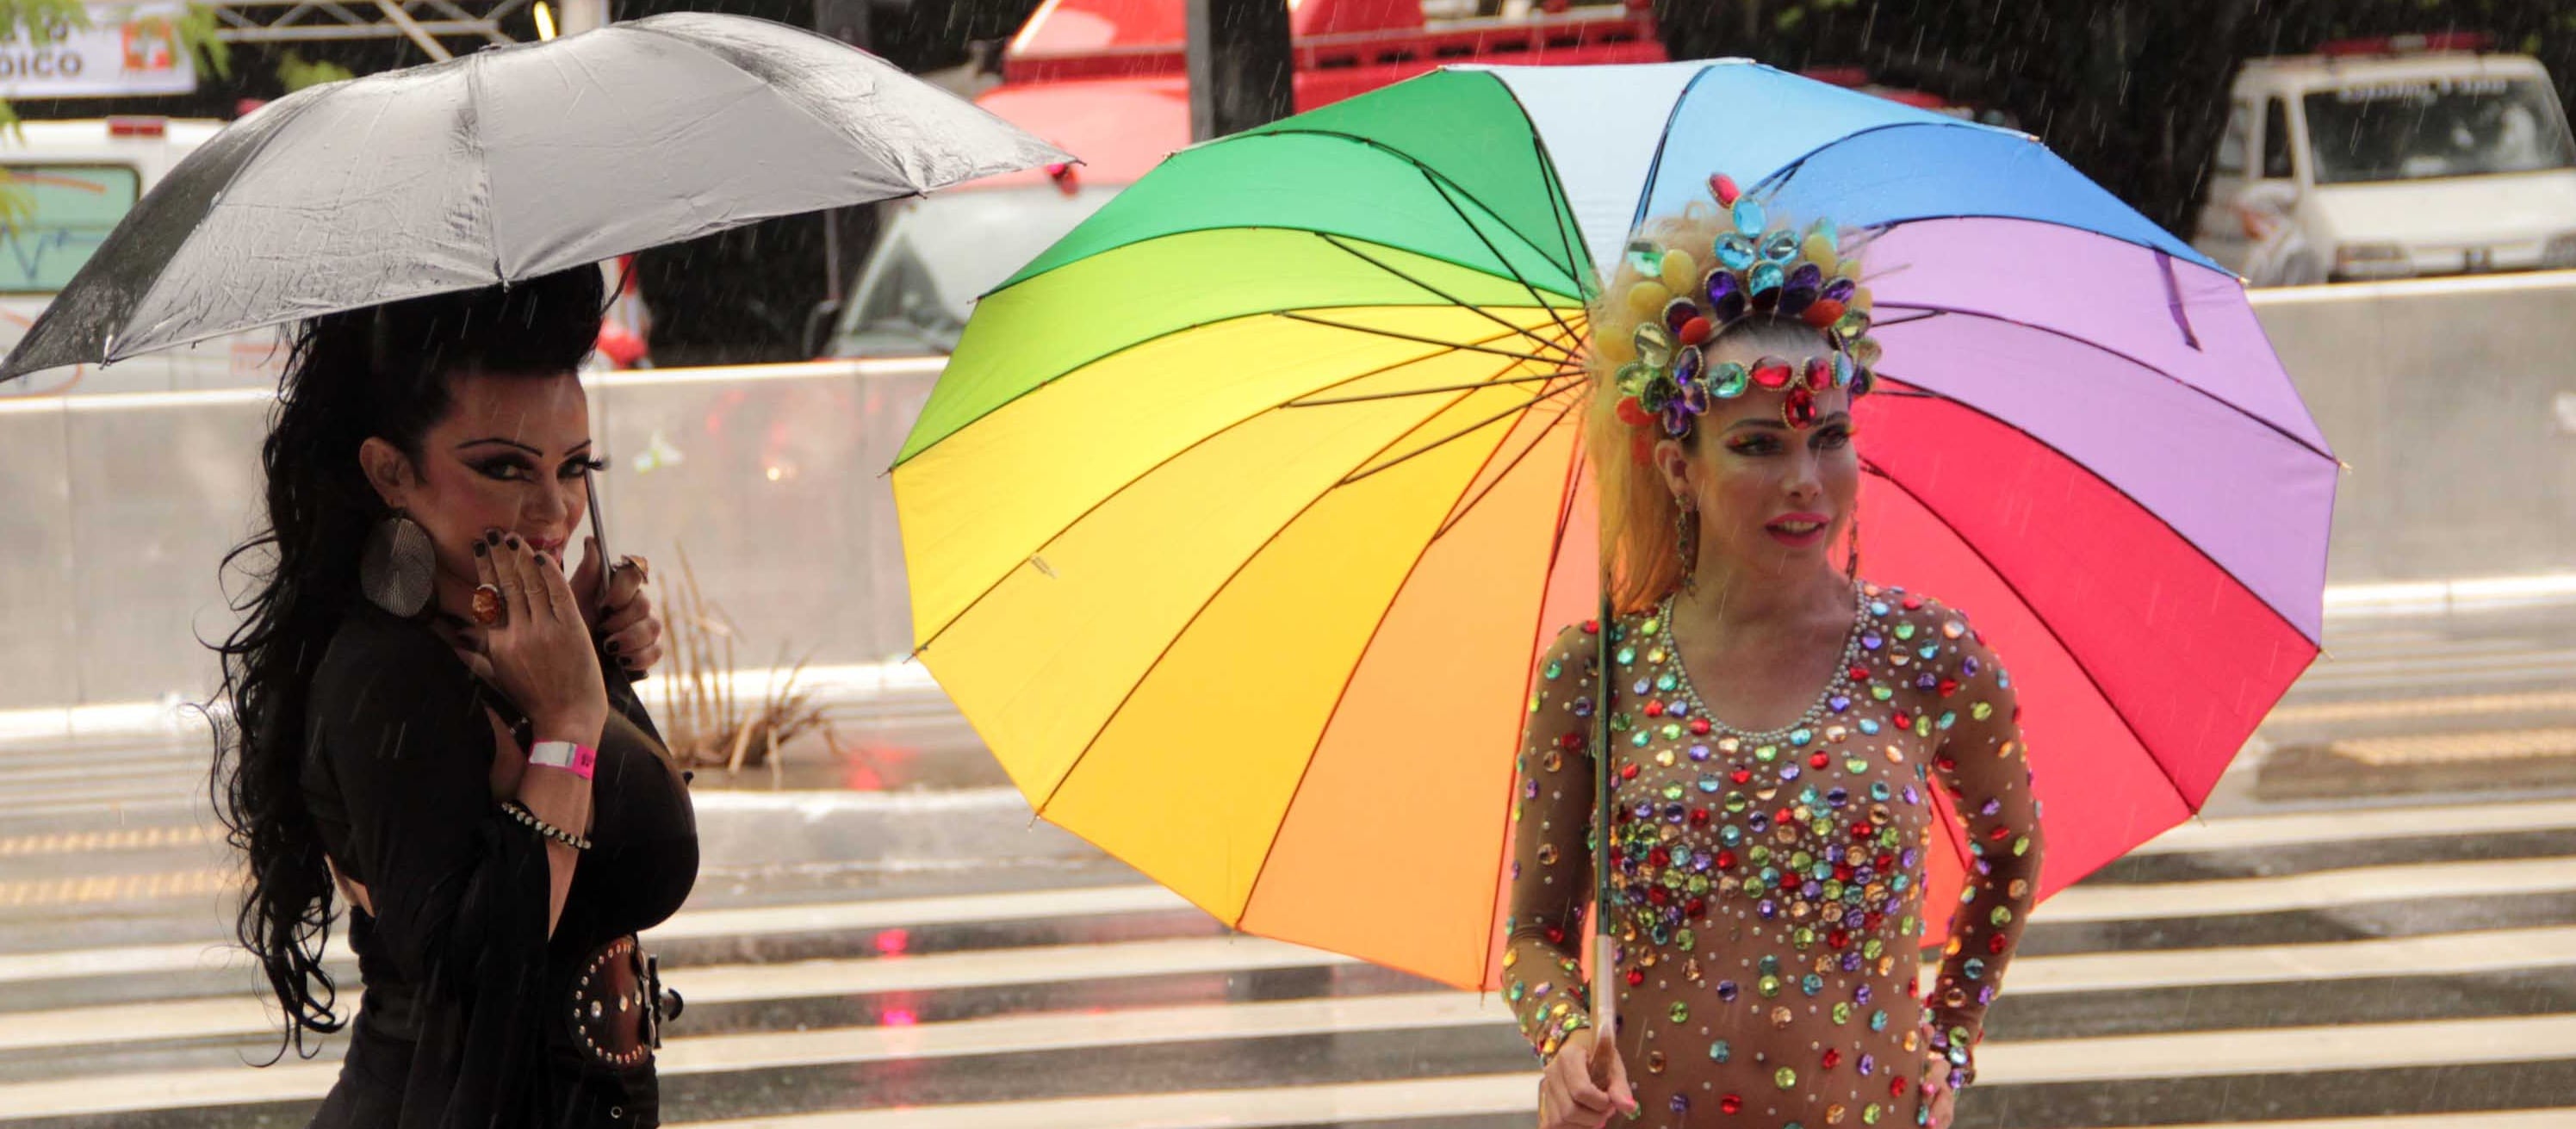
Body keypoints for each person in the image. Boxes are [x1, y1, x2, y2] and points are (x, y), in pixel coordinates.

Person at [1502, 178, 2047, 1129]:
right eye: (1757, 446)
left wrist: (1950, 1041)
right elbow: (1535, 936)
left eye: (1829, 438)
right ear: (1681, 467)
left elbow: (2010, 855)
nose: (1806, 484)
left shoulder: (1928, 654)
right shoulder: (1594, 671)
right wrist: (1562, 1048)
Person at [212, 265, 695, 1128]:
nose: (554, 510)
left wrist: (588, 658)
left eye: (576, 466)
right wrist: (570, 723)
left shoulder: (509, 640)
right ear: (392, 473)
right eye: (506, 467)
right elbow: (474, 971)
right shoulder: (389, 673)